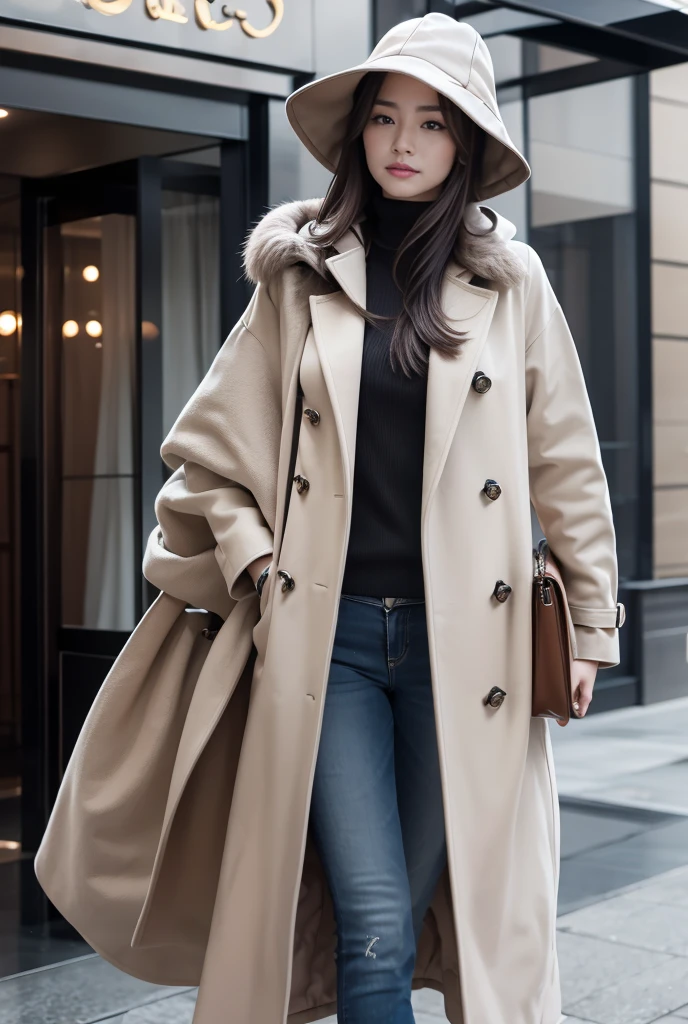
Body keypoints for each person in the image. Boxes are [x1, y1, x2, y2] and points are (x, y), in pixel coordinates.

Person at [34, 12, 625, 1024]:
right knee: (374, 919)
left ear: (467, 142)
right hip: (331, 644)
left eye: (432, 124)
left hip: (469, 650)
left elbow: (563, 460)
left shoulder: (510, 284)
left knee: (451, 903)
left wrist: (591, 623)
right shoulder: (299, 276)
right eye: (385, 118)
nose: (403, 143)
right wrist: (262, 568)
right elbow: (206, 459)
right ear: (356, 134)